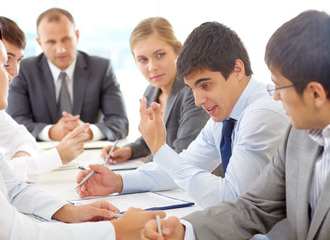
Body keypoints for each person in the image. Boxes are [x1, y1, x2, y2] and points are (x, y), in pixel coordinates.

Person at [141, 9, 330, 240]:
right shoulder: (298, 135)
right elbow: (254, 206)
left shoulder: (264, 112)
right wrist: (186, 230)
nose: (276, 97)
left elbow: (231, 196)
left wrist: (159, 148)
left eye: (280, 87)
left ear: (316, 94)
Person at [0, 21, 164, 240]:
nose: (11, 74)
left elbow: (13, 188)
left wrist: (70, 211)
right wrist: (115, 231)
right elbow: (17, 233)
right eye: (4, 63)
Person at [0, 16, 89, 182]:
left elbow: (23, 138)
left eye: (19, 60)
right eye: (6, 60)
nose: (15, 70)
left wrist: (23, 158)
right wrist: (58, 155)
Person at [6, 8, 128, 141]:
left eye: (66, 39)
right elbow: (14, 125)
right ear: (40, 43)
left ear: (77, 36)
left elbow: (120, 122)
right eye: (51, 42)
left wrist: (88, 132)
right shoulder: (24, 70)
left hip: (89, 153)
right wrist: (51, 132)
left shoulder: (101, 68)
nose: (60, 49)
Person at [101, 17, 209, 164]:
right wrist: (129, 150)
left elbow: (184, 152)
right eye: (143, 60)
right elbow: (152, 140)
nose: (152, 67)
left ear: (178, 50)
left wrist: (152, 161)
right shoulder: (152, 91)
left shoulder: (192, 91)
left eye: (160, 55)